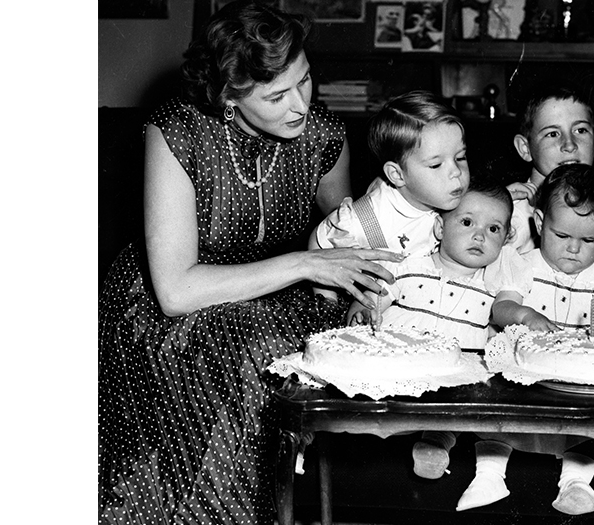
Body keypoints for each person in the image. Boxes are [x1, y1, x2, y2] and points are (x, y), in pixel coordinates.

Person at [97, 2, 404, 523]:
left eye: (305, 81)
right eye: (276, 96)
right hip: (169, 312)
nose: (301, 105)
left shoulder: (323, 134)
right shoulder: (177, 132)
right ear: (227, 98)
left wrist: (364, 279)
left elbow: (343, 233)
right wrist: (304, 264)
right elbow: (175, 291)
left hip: (280, 300)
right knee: (236, 356)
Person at [449, 163, 594, 516]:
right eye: (562, 236)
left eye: (589, 240)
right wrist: (524, 315)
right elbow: (500, 309)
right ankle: (488, 476)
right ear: (538, 223)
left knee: (592, 431)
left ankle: (576, 481)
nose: (573, 250)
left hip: (578, 383)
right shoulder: (523, 265)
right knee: (497, 420)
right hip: (527, 375)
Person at [343, 181, 515, 482]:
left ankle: (436, 442)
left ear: (506, 239)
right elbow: (377, 294)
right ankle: (313, 437)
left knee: (456, 408)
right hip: (393, 366)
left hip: (447, 382)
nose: (479, 235)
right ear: (439, 227)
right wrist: (365, 307)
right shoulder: (409, 265)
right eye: (466, 222)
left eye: (494, 229)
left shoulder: (494, 292)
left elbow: (497, 341)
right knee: (353, 389)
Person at [309, 90, 469, 260]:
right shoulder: (369, 219)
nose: (457, 172)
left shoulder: (458, 195)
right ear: (397, 175)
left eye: (460, 157)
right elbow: (319, 244)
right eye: (436, 165)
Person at [504, 85, 594, 270]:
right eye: (552, 134)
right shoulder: (510, 211)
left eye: (580, 130)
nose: (569, 145)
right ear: (525, 148)